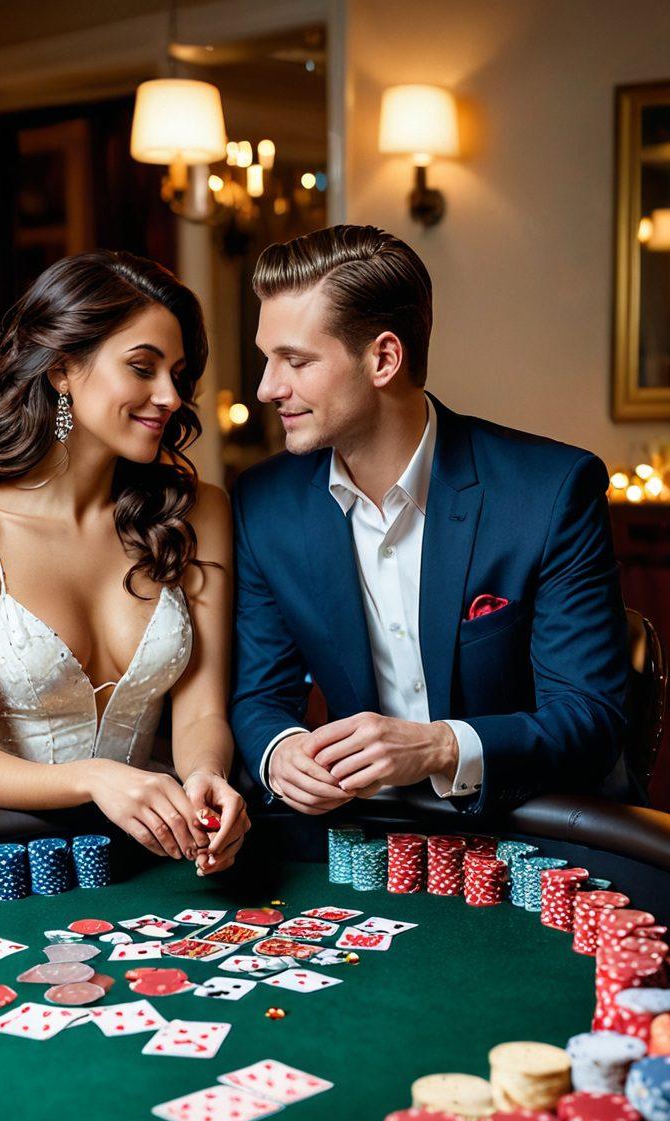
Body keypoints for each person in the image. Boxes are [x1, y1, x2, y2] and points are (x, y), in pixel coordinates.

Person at [230, 224, 632, 818]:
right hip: (369, 834)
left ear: (384, 358)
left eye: (295, 360)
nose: (267, 388)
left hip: (539, 830)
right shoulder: (265, 503)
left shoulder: (550, 491)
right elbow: (259, 695)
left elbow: (591, 718)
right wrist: (281, 750)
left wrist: (442, 747)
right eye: (268, 359)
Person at [0, 250, 250, 875]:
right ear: (64, 369)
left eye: (178, 373)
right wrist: (98, 779)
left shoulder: (200, 513)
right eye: (142, 368)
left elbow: (202, 711)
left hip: (146, 839)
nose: (170, 395)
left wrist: (204, 777)